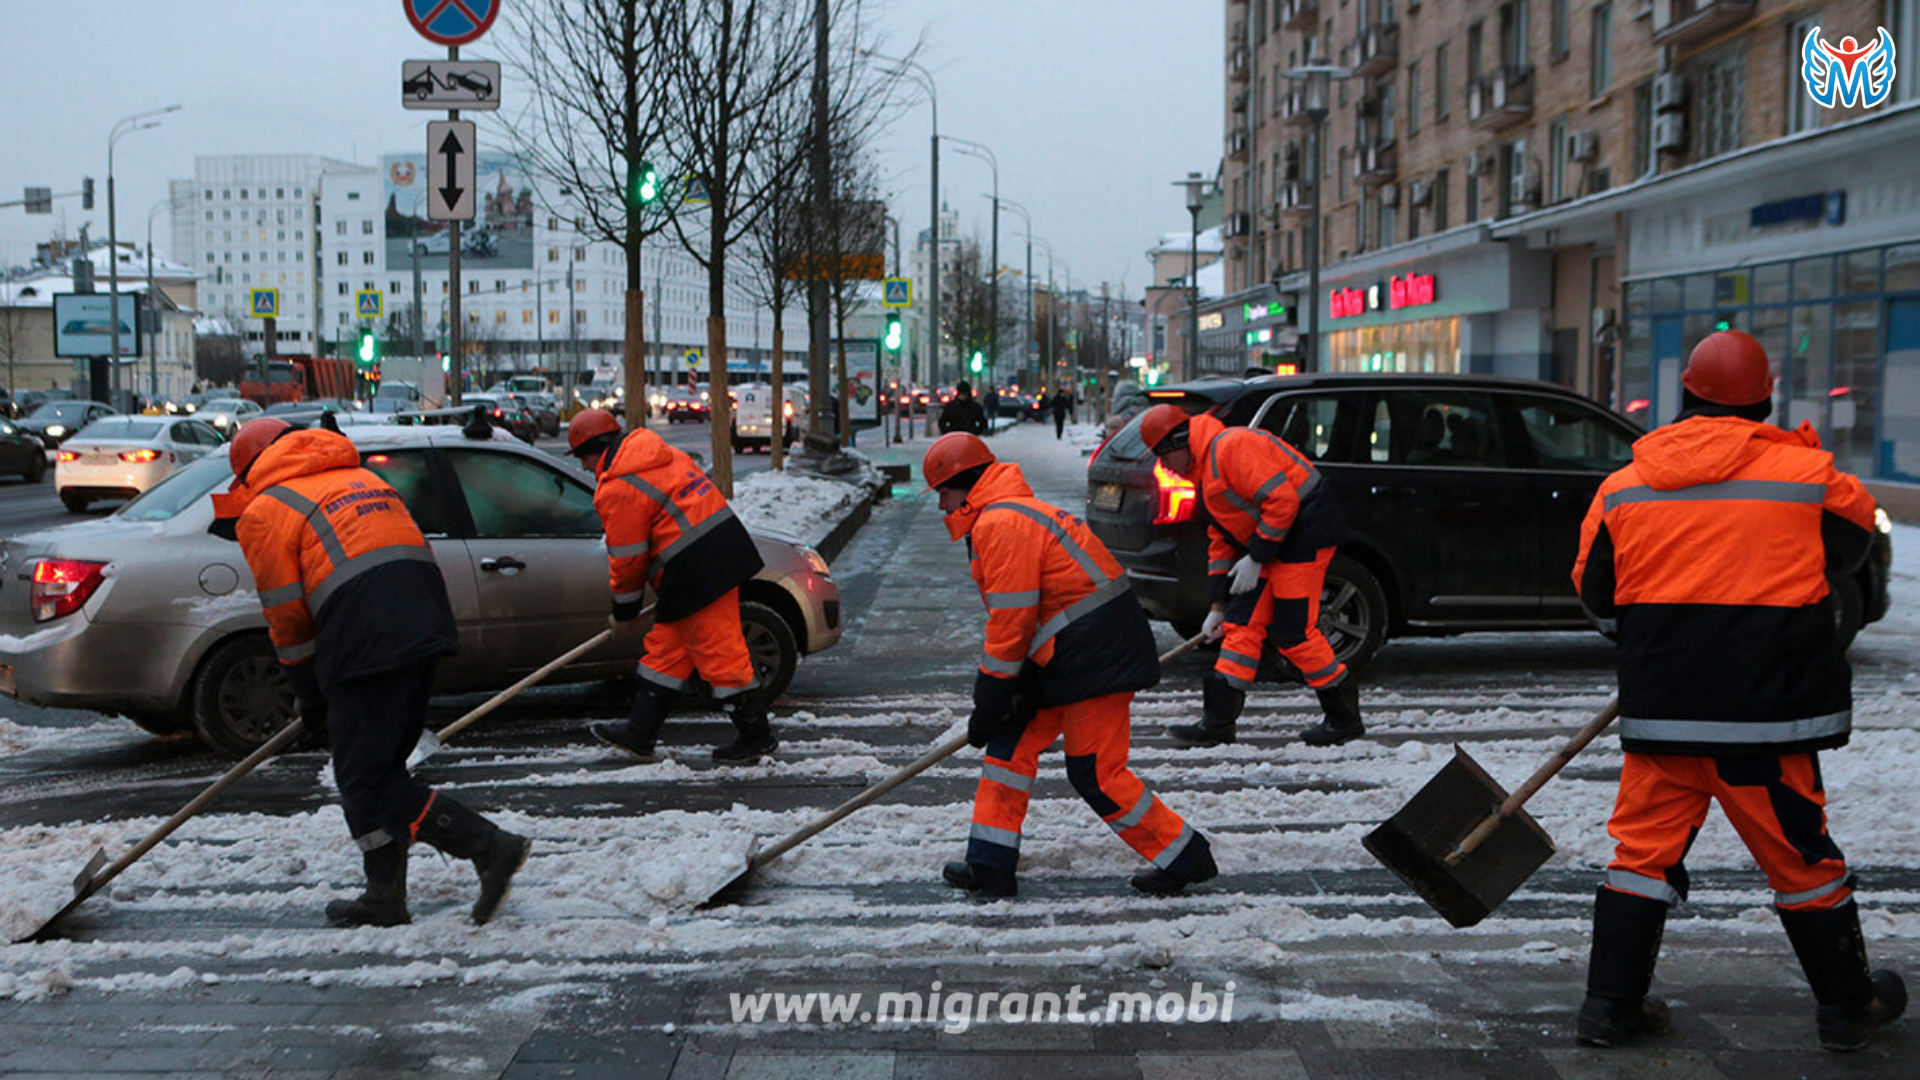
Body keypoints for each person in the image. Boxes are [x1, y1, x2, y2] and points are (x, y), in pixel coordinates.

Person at [1569, 330, 1904, 1052]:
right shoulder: (1806, 475)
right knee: (1802, 861)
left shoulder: (1623, 486)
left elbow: (1595, 597)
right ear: (1765, 398)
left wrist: (1663, 638)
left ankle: (1609, 1008)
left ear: (1684, 395)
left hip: (1664, 719)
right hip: (1765, 725)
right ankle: (1849, 1006)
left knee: (1641, 857)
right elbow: (1855, 547)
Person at [213, 418, 531, 928]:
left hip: (364, 632)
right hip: (423, 618)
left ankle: (488, 845)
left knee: (366, 780)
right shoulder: (363, 479)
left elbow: (287, 614)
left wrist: (305, 690)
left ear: (249, 470)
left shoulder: (266, 510)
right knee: (377, 772)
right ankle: (384, 894)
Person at [925, 432, 1218, 898]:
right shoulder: (1008, 514)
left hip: (1095, 655)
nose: (940, 504)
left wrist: (992, 692)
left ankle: (1184, 856)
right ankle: (990, 864)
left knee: (1096, 772)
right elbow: (1032, 616)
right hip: (1067, 653)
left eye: (942, 490)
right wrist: (1009, 691)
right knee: (1008, 747)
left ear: (965, 483)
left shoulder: (1002, 523)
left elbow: (1012, 620)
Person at [1137, 403, 1360, 747]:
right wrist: (1218, 605)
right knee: (1240, 625)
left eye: (1164, 458)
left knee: (1294, 633)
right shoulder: (1204, 474)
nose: (1163, 467)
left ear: (1178, 445)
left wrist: (1257, 556)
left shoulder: (1231, 447)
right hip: (1274, 541)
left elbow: (1282, 501)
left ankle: (1344, 718)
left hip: (1304, 537)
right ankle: (1218, 722)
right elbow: (1221, 541)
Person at [566, 409, 777, 763]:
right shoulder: (660, 454)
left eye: (582, 459)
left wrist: (624, 611)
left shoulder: (618, 488)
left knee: (720, 654)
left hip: (699, 570)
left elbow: (628, 559)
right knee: (666, 651)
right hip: (715, 554)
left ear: (594, 449)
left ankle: (756, 736)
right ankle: (640, 732)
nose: (585, 468)